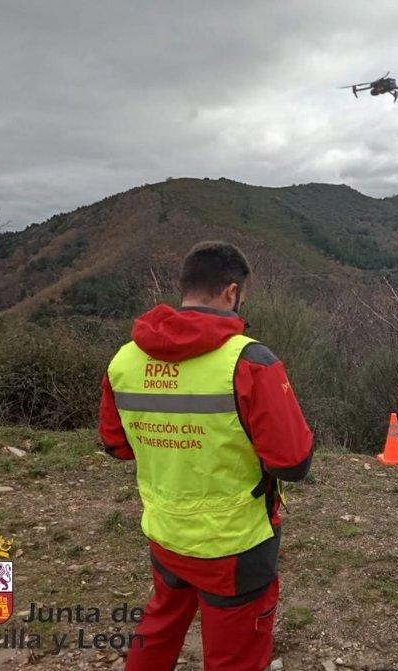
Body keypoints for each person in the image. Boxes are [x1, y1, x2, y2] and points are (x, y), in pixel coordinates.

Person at [99, 241, 313, 671]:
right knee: (235, 654)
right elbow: (293, 462)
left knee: (159, 627)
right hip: (235, 543)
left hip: (165, 531)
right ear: (231, 292)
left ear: (186, 287)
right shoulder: (251, 361)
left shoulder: (124, 360)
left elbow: (116, 446)